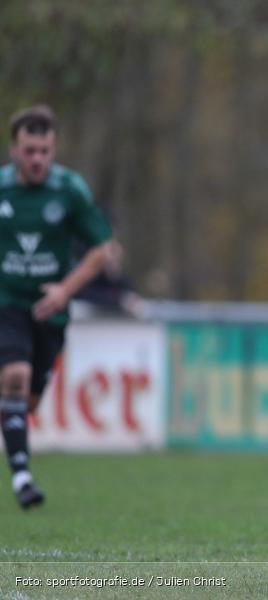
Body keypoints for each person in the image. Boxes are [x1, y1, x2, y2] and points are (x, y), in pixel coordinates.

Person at [0, 105, 112, 508]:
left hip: (51, 314)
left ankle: (16, 453)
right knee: (13, 374)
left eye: (44, 150)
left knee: (25, 402)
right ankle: (22, 479)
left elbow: (102, 250)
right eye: (29, 150)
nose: (37, 159)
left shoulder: (69, 190)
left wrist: (64, 290)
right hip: (8, 303)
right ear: (14, 149)